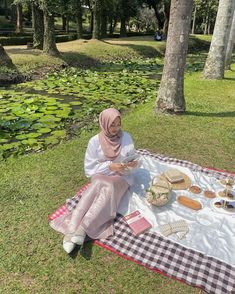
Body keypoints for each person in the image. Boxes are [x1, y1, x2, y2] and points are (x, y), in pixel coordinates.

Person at [54, 108, 138, 253]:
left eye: (118, 124)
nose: (116, 128)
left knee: (109, 187)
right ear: (104, 123)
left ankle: (83, 228)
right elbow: (89, 168)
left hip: (121, 177)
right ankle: (71, 229)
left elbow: (133, 159)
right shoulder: (94, 141)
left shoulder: (126, 138)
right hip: (101, 175)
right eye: (112, 125)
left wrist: (130, 165)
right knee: (98, 184)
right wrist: (110, 166)